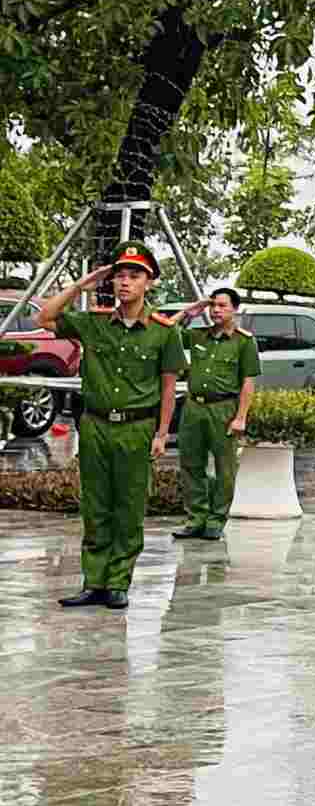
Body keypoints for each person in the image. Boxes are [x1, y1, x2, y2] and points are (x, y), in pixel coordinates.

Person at [37, 246, 185, 609]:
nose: (124, 282)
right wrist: (81, 285)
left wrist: (162, 433)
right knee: (96, 505)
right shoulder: (94, 322)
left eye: (134, 275)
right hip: (95, 425)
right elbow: (45, 317)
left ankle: (119, 581)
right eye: (119, 275)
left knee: (129, 506)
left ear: (148, 283)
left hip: (136, 428)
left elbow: (168, 387)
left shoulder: (164, 333)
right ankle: (95, 581)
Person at [172, 286, 258, 542]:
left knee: (225, 467)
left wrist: (241, 416)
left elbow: (248, 381)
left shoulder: (244, 341)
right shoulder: (198, 336)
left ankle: (216, 519)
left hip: (224, 409)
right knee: (190, 464)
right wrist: (191, 310)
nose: (216, 310)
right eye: (213, 306)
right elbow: (166, 329)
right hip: (193, 408)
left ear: (235, 309)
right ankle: (195, 518)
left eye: (222, 306)